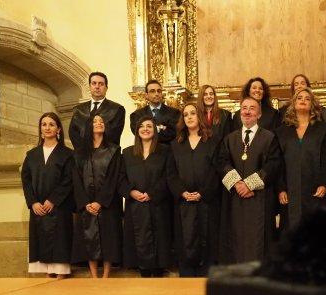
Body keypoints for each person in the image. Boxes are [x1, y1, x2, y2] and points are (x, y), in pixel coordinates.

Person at [217, 97, 282, 263]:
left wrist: (249, 184)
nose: (247, 111)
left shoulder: (269, 138)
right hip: (235, 200)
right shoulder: (229, 139)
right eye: (244, 108)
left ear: (259, 114)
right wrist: (237, 183)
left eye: (252, 108)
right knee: (235, 240)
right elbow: (221, 162)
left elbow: (273, 165)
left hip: (260, 200)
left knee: (258, 242)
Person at [167, 103, 221, 277]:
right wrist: (182, 192)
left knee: (207, 242)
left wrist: (202, 193)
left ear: (200, 116)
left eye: (193, 113)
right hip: (184, 204)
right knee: (186, 242)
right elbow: (171, 174)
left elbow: (216, 171)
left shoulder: (212, 141)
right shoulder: (176, 144)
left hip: (206, 202)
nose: (189, 117)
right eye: (185, 115)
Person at [21, 112, 75, 279]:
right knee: (41, 238)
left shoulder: (67, 154)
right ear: (40, 129)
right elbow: (26, 180)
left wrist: (53, 200)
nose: (47, 127)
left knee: (60, 239)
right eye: (44, 124)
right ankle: (48, 270)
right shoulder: (32, 155)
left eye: (51, 124)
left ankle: (61, 272)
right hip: (38, 207)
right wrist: (33, 202)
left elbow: (69, 180)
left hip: (59, 206)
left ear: (58, 128)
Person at [71, 114, 123, 278]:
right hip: (86, 204)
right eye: (95, 121)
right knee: (89, 238)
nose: (99, 123)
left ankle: (106, 275)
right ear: (88, 126)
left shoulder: (114, 150)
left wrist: (100, 201)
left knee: (109, 238)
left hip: (107, 203)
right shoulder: (79, 153)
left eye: (102, 121)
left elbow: (113, 178)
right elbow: (76, 180)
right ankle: (94, 275)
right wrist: (85, 202)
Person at [275, 88, 326, 229]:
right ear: (293, 103)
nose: (303, 100)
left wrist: (324, 183)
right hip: (290, 192)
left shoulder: (323, 129)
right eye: (299, 98)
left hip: (315, 190)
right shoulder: (281, 132)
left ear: (312, 105)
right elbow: (278, 163)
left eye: (307, 99)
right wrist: (281, 188)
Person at [121, 116, 172, 277]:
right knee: (140, 246)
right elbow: (120, 178)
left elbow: (168, 176)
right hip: (135, 207)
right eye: (141, 126)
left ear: (155, 130)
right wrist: (131, 192)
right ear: (137, 131)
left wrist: (152, 193)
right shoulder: (127, 152)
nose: (145, 129)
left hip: (158, 205)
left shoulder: (165, 151)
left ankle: (158, 276)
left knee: (159, 245)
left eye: (149, 126)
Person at [69, 71, 125, 150]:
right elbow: (73, 134)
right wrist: (83, 151)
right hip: (82, 156)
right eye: (94, 83)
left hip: (107, 156)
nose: (97, 86)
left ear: (106, 88)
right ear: (89, 86)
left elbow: (114, 135)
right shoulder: (78, 110)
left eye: (101, 84)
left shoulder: (117, 109)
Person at [130, 80, 181, 144]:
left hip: (167, 151)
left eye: (159, 91)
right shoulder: (137, 115)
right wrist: (162, 128)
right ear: (146, 95)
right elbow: (138, 134)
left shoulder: (174, 113)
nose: (156, 94)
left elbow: (173, 133)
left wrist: (150, 131)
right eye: (152, 91)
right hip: (144, 151)